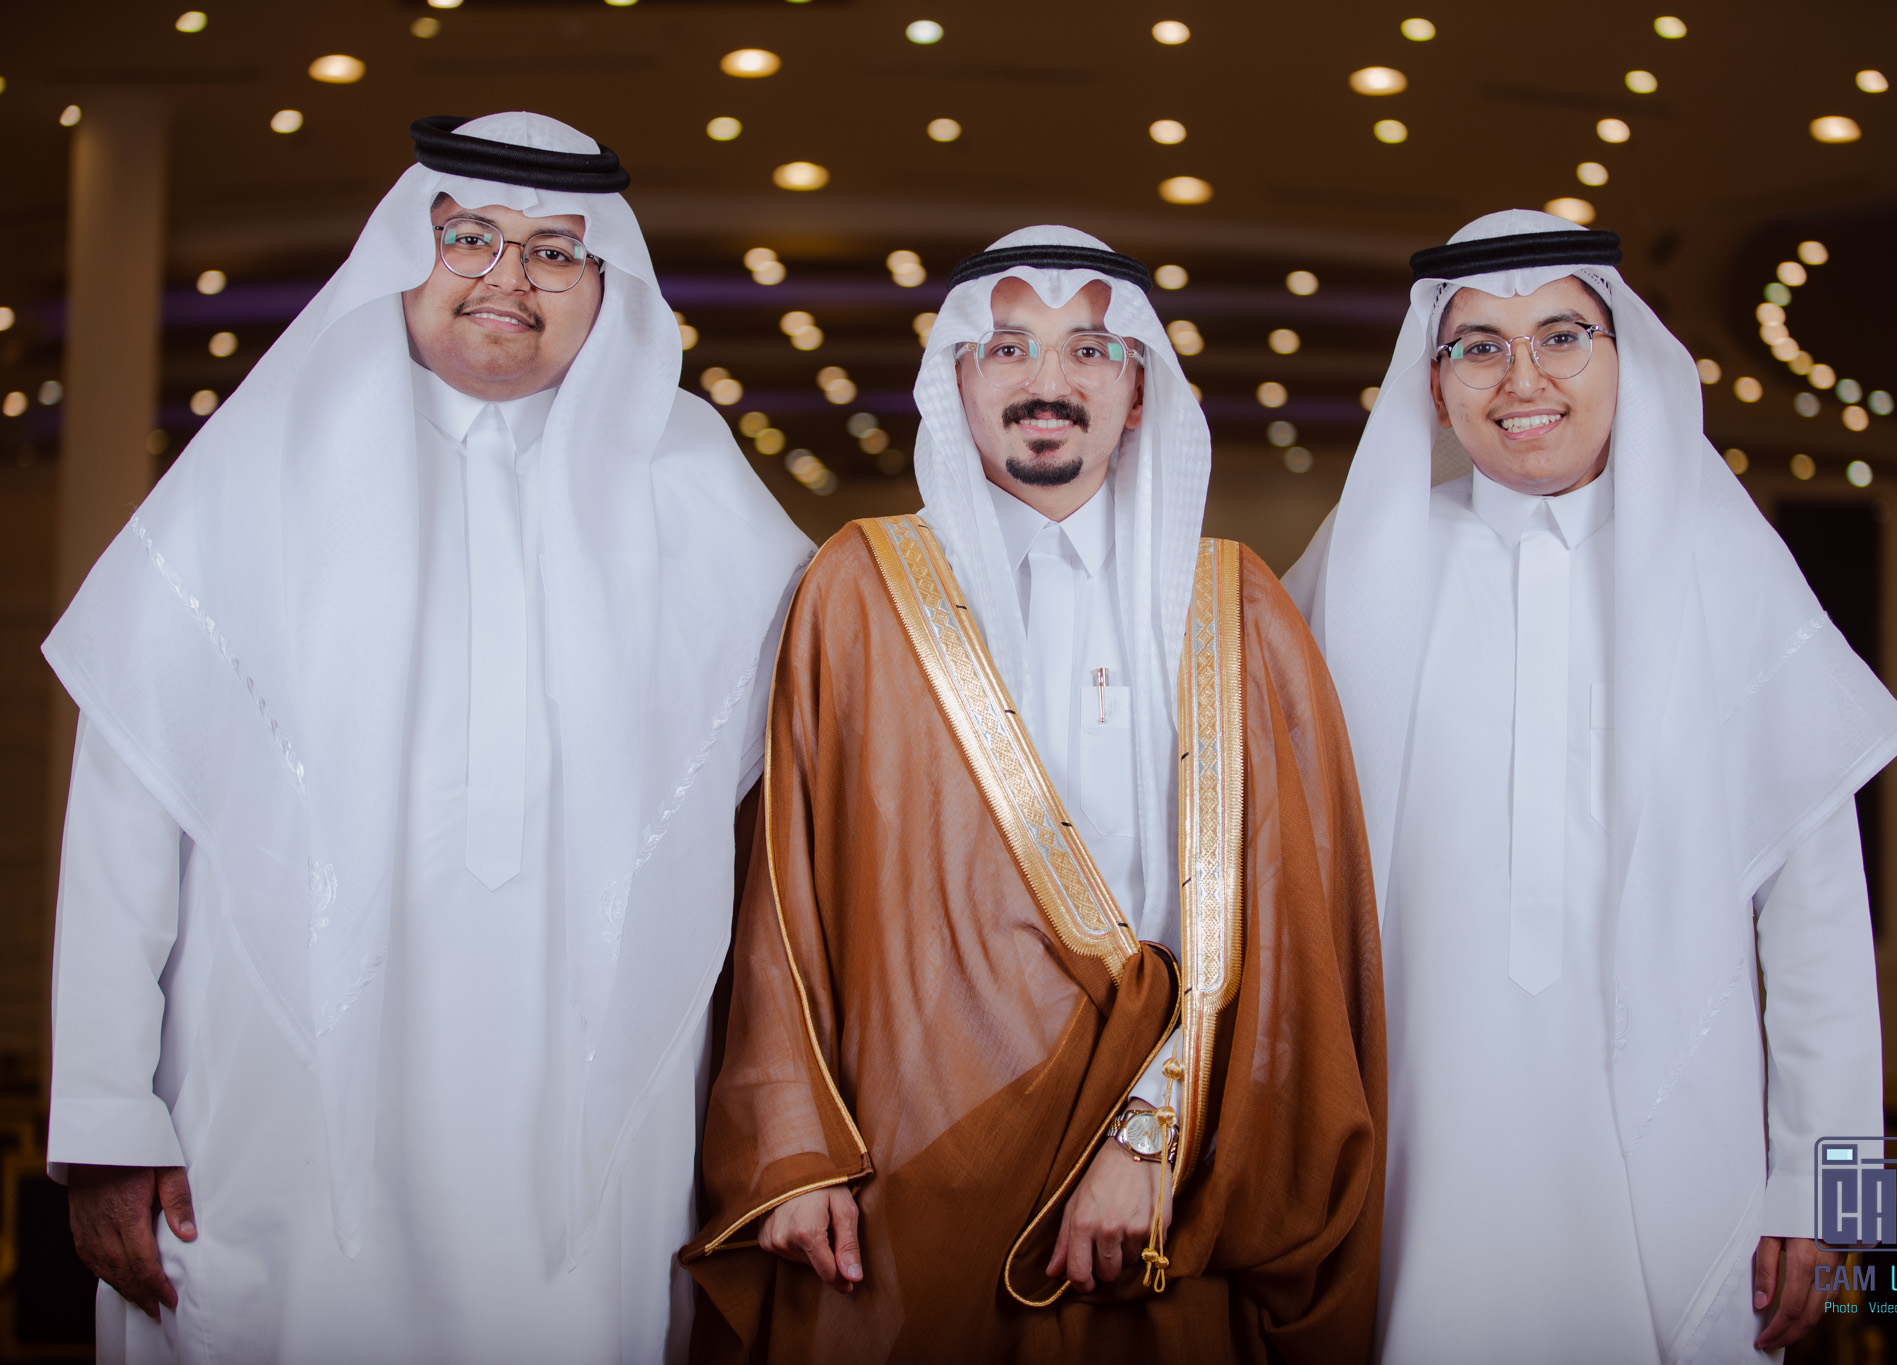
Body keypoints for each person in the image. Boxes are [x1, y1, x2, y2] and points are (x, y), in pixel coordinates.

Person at [44, 112, 812, 1364]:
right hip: (278, 1104)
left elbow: (821, 766)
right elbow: (129, 808)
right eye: (471, 239)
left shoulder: (694, 481)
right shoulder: (258, 465)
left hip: (576, 1112)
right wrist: (106, 1116)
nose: (510, 278)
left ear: (604, 285)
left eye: (555, 252)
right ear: (407, 252)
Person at [680, 227, 1386, 1362]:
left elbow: (1293, 928)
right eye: (1007, 348)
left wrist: (1152, 1139)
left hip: (1165, 1171)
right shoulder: (858, 588)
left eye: (1088, 351)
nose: (1046, 381)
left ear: (1139, 393)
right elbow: (782, 891)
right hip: (909, 1154)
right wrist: (794, 1145)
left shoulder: (1238, 609)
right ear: (955, 381)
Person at [1285, 209, 1897, 1363]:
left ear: (1622, 357)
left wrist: (1834, 1196)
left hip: (1677, 1150)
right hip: (1416, 1142)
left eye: (1560, 336)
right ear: (1433, 384)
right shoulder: (1368, 560)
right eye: (1478, 345)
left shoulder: (1723, 567)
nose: (1521, 378)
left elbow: (1819, 915)